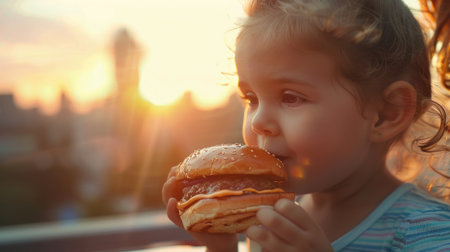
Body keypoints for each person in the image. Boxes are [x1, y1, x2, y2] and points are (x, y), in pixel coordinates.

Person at [162, 0, 450, 251]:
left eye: (290, 97)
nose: (259, 121)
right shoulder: (269, 218)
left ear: (387, 113)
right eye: (251, 98)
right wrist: (221, 248)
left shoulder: (428, 233)